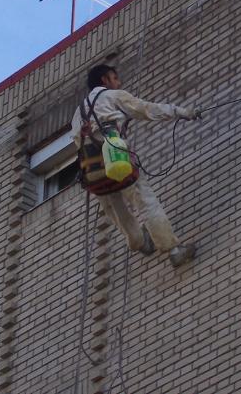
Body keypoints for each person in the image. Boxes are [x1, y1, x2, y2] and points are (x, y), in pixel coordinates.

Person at [70, 64, 199, 267]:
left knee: (116, 210)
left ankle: (138, 241)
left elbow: (78, 143)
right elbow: (146, 110)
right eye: (115, 78)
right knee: (147, 203)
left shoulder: (78, 113)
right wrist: (181, 112)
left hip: (92, 172)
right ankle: (174, 250)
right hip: (117, 159)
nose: (118, 82)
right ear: (105, 80)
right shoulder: (112, 97)